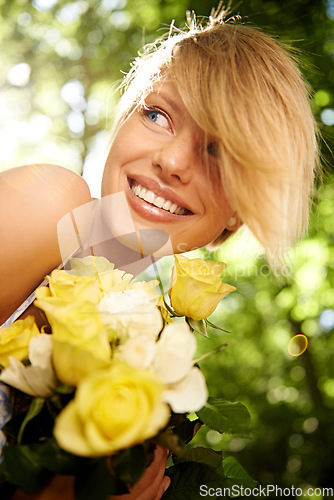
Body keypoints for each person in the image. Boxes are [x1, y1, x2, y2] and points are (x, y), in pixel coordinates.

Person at [0, 6, 320, 499]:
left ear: (235, 217)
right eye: (157, 114)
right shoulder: (52, 203)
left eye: (217, 151)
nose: (172, 161)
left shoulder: (156, 368)